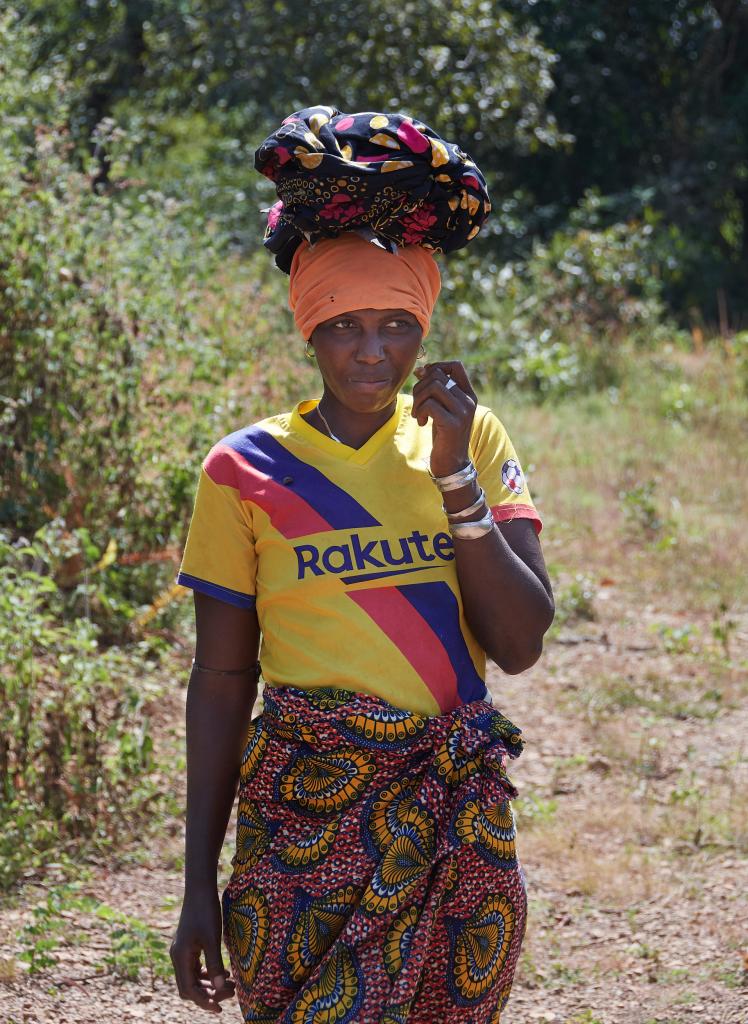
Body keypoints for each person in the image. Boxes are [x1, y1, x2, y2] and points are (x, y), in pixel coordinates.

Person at [170, 107, 554, 1022]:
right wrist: (194, 886)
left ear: (424, 327)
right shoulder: (245, 469)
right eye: (345, 324)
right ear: (309, 328)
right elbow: (221, 680)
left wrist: (457, 473)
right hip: (302, 821)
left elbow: (522, 642)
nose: (374, 349)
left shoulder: (466, 434)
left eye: (397, 322)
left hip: (452, 811)